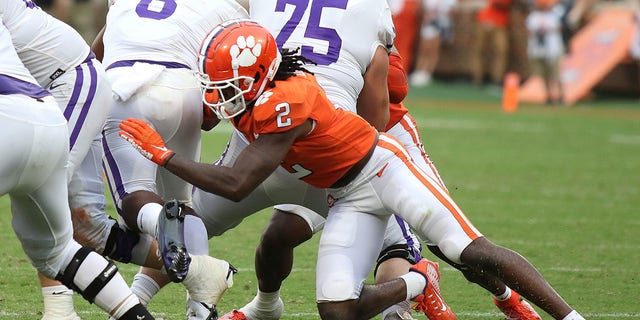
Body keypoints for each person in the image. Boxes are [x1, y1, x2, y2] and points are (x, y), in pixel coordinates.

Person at [121, 20, 587, 320]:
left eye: (228, 86)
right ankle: (420, 278)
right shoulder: (260, 90)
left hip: (383, 170)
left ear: (259, 76)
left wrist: (165, 156)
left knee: (467, 248)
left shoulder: (287, 101)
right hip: (343, 196)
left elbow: (239, 184)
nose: (219, 96)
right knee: (337, 312)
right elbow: (223, 124)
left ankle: (569, 317)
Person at [2, 1, 160, 318]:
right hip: (44, 110)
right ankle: (198, 268)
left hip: (58, 90)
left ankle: (59, 308)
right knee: (67, 241)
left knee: (73, 227)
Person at [97, 0, 247, 318]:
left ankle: (158, 224)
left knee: (133, 201)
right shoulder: (225, 7)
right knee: (183, 202)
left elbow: (99, 48)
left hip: (128, 84)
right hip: (186, 92)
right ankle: (201, 306)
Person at [408, 0, 457, 87]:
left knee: (433, 50)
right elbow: (421, 9)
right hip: (427, 23)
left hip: (439, 24)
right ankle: (419, 71)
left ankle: (427, 73)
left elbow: (452, 11)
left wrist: (439, 15)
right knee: (423, 49)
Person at [525, 0, 565, 105]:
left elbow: (560, 28)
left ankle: (561, 96)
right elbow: (530, 30)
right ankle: (549, 95)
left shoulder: (555, 14)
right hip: (538, 49)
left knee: (556, 74)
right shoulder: (533, 16)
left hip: (552, 49)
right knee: (544, 74)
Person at [469, 0, 513, 87]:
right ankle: (477, 79)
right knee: (478, 51)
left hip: (500, 23)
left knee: (501, 51)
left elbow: (501, 4)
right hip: (483, 20)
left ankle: (496, 80)